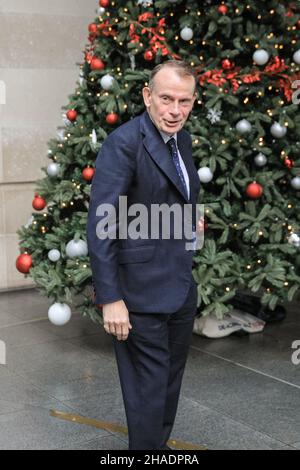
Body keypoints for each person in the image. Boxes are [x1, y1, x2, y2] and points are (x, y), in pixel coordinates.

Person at [87, 60, 201, 450]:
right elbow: (102, 225)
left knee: (168, 383)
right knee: (147, 392)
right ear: (147, 97)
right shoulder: (123, 143)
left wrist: (188, 227)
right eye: (166, 99)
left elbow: (177, 199)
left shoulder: (181, 139)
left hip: (179, 287)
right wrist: (111, 298)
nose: (175, 110)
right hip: (137, 294)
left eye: (184, 101)